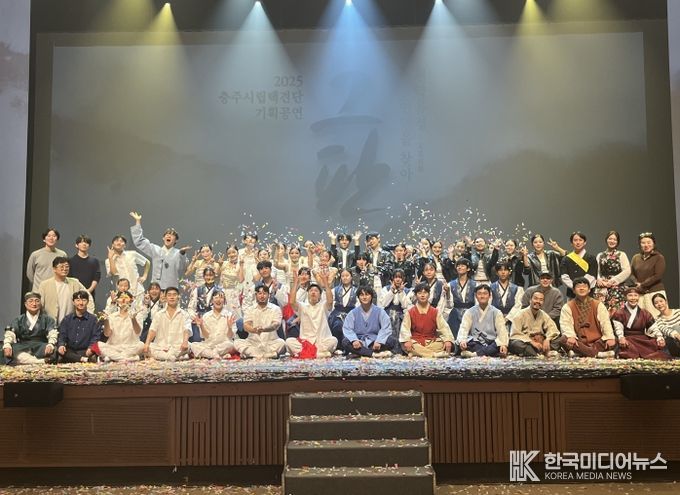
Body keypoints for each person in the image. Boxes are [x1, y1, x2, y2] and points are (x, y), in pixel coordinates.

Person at [129, 211, 191, 289]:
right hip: (156, 288)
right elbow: (139, 242)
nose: (169, 236)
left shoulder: (179, 253)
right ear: (163, 238)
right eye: (167, 234)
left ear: (176, 240)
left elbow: (182, 268)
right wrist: (138, 222)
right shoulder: (155, 250)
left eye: (172, 235)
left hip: (171, 289)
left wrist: (182, 254)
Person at [559, 277, 616, 358]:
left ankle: (581, 353)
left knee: (613, 340)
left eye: (584, 287)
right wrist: (571, 336)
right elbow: (565, 324)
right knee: (563, 340)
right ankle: (596, 354)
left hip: (597, 341)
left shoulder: (598, 305)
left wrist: (609, 337)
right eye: (578, 287)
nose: (581, 288)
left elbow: (605, 323)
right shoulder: (567, 306)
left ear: (589, 290)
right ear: (573, 290)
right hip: (578, 341)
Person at [286, 270, 338, 358]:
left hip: (321, 341)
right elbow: (292, 302)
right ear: (308, 294)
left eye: (316, 291)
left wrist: (325, 282)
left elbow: (330, 301)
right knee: (289, 341)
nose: (313, 292)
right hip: (306, 343)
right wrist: (296, 283)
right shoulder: (302, 306)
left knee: (333, 340)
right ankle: (319, 354)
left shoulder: (323, 306)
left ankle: (306, 353)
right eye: (311, 291)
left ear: (320, 295)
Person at [611, 287, 668, 360]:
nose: (633, 298)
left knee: (655, 343)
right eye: (630, 295)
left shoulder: (645, 313)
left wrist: (659, 337)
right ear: (626, 297)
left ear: (639, 297)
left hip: (642, 339)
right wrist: (621, 337)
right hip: (627, 339)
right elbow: (618, 328)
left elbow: (653, 328)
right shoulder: (619, 312)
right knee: (626, 346)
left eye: (636, 295)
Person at [342, 286, 399, 358]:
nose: (364, 297)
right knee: (345, 341)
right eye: (361, 295)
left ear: (371, 296)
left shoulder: (380, 311)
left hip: (374, 341)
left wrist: (379, 341)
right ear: (358, 297)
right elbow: (347, 329)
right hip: (359, 341)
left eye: (367, 294)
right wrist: (354, 340)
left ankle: (360, 353)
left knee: (391, 340)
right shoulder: (353, 313)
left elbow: (386, 328)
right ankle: (373, 354)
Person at [399, 282, 454, 358]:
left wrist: (447, 340)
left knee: (442, 344)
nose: (422, 295)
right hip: (416, 341)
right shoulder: (410, 312)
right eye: (419, 293)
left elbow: (444, 327)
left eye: (425, 293)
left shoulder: (435, 312)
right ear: (416, 295)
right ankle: (434, 355)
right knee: (407, 345)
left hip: (431, 341)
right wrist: (407, 340)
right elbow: (405, 329)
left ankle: (418, 353)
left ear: (429, 294)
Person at [3, 292, 58, 365]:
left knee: (54, 350)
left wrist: (50, 344)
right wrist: (7, 345)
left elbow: (52, 333)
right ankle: (39, 362)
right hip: (23, 346)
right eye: (31, 301)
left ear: (40, 304)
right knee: (11, 349)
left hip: (40, 346)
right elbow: (10, 333)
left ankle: (27, 361)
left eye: (37, 301)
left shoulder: (48, 319)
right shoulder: (19, 319)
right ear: (25, 304)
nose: (34, 304)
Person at [234, 284, 285, 359]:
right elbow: (246, 326)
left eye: (264, 293)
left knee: (282, 343)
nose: (262, 296)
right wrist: (254, 330)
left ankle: (252, 354)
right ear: (256, 295)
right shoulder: (250, 309)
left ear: (269, 295)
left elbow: (276, 324)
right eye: (260, 293)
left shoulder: (276, 309)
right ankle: (268, 355)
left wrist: (264, 329)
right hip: (253, 342)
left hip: (270, 342)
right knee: (237, 342)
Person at [38, 257, 94, 324]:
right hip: (50, 324)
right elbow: (40, 304)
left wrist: (89, 315)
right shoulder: (44, 285)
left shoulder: (75, 283)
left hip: (70, 324)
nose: (65, 269)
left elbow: (88, 297)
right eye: (62, 267)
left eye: (67, 267)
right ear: (54, 269)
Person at [457, 285, 508, 358]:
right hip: (476, 342)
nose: (482, 296)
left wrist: (503, 344)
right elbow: (464, 328)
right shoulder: (469, 312)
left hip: (491, 341)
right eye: (479, 294)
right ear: (476, 296)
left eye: (485, 293)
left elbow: (502, 330)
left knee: (498, 345)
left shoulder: (496, 312)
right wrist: (462, 340)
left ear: (490, 296)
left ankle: (475, 354)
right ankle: (487, 353)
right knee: (468, 344)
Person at [509, 291, 563, 358]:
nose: (538, 301)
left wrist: (547, 339)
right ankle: (539, 354)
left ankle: (542, 351)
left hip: (541, 342)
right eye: (535, 298)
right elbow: (515, 334)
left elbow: (553, 329)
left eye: (541, 300)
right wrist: (531, 342)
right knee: (515, 344)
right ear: (530, 300)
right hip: (528, 343)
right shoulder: (520, 314)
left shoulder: (543, 314)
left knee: (559, 340)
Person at [144, 286, 191, 361]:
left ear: (178, 297)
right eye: (169, 295)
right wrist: (147, 344)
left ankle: (167, 356)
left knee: (190, 346)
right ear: (165, 298)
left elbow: (187, 329)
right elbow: (152, 330)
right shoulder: (159, 314)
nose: (172, 297)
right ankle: (172, 357)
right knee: (147, 347)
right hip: (161, 346)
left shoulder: (184, 314)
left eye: (174, 295)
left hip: (178, 346)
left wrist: (185, 342)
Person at [96, 291, 144, 362]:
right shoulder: (112, 316)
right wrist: (106, 321)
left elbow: (138, 332)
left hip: (130, 347)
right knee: (98, 345)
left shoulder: (137, 315)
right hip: (114, 347)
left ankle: (114, 357)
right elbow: (107, 334)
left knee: (141, 345)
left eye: (126, 297)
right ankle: (129, 358)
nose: (123, 300)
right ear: (117, 301)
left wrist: (133, 319)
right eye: (121, 297)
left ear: (131, 301)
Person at [56, 290, 102, 363]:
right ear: (73, 302)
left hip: (85, 350)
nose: (81, 303)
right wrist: (61, 345)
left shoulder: (93, 319)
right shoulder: (67, 319)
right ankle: (83, 359)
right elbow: (62, 335)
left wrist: (91, 348)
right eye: (78, 300)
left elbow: (96, 337)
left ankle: (80, 358)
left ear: (87, 302)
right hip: (70, 350)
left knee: (94, 351)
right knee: (60, 350)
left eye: (84, 300)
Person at [190, 291, 238, 359]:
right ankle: (216, 355)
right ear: (212, 301)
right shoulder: (206, 316)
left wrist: (230, 327)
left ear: (224, 301)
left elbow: (230, 336)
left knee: (230, 344)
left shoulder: (229, 315)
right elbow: (205, 336)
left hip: (223, 345)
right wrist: (201, 326)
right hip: (209, 345)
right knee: (193, 345)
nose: (218, 300)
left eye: (221, 298)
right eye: (216, 298)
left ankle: (212, 354)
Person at [106, 234, 150, 302]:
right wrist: (111, 259)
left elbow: (147, 262)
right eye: (117, 241)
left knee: (141, 309)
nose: (119, 242)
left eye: (121, 241)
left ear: (125, 245)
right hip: (123, 294)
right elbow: (114, 273)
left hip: (138, 291)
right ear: (112, 244)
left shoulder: (132, 254)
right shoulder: (108, 261)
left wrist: (144, 276)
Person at [630, 232, 666, 316]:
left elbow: (657, 275)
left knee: (656, 317)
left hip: (654, 293)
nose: (646, 245)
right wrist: (636, 283)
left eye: (649, 242)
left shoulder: (659, 257)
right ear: (640, 245)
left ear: (653, 244)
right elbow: (631, 274)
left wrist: (642, 284)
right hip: (640, 293)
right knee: (640, 319)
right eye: (643, 243)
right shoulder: (636, 257)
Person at [595, 230, 631, 313]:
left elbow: (627, 270)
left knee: (616, 313)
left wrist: (613, 280)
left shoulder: (621, 254)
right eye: (610, 239)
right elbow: (596, 270)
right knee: (601, 312)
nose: (612, 241)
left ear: (617, 242)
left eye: (614, 239)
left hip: (617, 287)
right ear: (606, 240)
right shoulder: (600, 255)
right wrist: (598, 279)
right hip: (602, 287)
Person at [26, 227, 67, 292]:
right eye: (48, 236)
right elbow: (30, 273)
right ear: (44, 239)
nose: (51, 238)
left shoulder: (62, 254)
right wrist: (38, 284)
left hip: (56, 290)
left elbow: (65, 272)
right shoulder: (35, 254)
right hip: (38, 291)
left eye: (54, 236)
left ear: (57, 239)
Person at [187, 266, 222, 342]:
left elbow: (223, 308)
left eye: (211, 275)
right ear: (203, 277)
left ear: (214, 276)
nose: (208, 277)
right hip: (200, 319)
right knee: (197, 341)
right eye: (206, 275)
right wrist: (195, 318)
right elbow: (190, 308)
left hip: (214, 319)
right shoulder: (197, 290)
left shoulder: (220, 290)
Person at [560, 232, 597, 299]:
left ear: (585, 242)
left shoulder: (591, 258)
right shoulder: (566, 259)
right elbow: (564, 276)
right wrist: (574, 287)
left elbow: (592, 275)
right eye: (575, 240)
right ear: (571, 243)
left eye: (580, 240)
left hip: (588, 294)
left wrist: (583, 288)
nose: (578, 242)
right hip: (572, 293)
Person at [379, 269, 412, 341]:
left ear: (403, 279)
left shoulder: (407, 291)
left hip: (401, 317)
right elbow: (384, 303)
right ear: (392, 278)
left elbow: (405, 305)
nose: (398, 279)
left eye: (400, 277)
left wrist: (401, 292)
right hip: (387, 315)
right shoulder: (386, 289)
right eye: (396, 277)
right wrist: (392, 291)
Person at [490, 261, 524, 332]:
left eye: (505, 270)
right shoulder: (491, 288)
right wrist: (498, 316)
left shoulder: (517, 288)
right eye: (500, 270)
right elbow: (489, 305)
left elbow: (518, 305)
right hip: (494, 319)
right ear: (496, 273)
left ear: (509, 272)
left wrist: (507, 318)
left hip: (511, 320)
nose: (503, 272)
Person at [447, 258, 476, 338]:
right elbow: (449, 305)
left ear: (468, 268)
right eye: (458, 266)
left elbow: (477, 303)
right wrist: (447, 293)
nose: (459, 267)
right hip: (455, 314)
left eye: (462, 265)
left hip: (471, 313)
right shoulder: (450, 284)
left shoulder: (475, 284)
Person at [327, 269, 358, 343]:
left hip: (351, 313)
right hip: (337, 313)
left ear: (351, 277)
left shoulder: (356, 290)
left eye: (347, 276)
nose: (345, 278)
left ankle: (348, 345)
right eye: (343, 276)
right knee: (337, 325)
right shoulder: (335, 290)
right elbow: (330, 302)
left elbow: (358, 305)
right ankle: (337, 345)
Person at [68, 235, 101, 300]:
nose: (84, 244)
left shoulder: (94, 261)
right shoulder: (70, 261)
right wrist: (76, 292)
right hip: (74, 294)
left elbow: (96, 277)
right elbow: (69, 278)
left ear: (89, 245)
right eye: (81, 242)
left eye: (86, 242)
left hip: (90, 293)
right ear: (76, 245)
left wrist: (89, 291)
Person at [218, 244, 244, 316]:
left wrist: (241, 266)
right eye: (229, 253)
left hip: (233, 293)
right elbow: (216, 275)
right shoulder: (223, 263)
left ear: (237, 252)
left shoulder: (240, 265)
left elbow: (241, 280)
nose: (231, 255)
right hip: (222, 292)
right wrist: (219, 265)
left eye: (233, 252)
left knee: (234, 315)